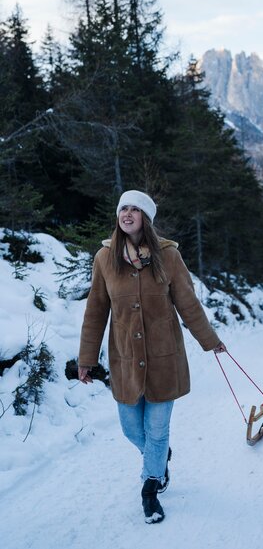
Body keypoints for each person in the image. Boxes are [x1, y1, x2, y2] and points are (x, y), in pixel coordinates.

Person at [78, 189, 226, 524]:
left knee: (157, 430)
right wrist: (86, 360)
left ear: (146, 218)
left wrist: (210, 340)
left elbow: (188, 303)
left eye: (135, 209)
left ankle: (151, 488)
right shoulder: (105, 258)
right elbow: (95, 311)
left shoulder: (168, 256)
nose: (127, 214)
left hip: (164, 358)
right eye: (123, 209)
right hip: (125, 359)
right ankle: (158, 458)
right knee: (132, 428)